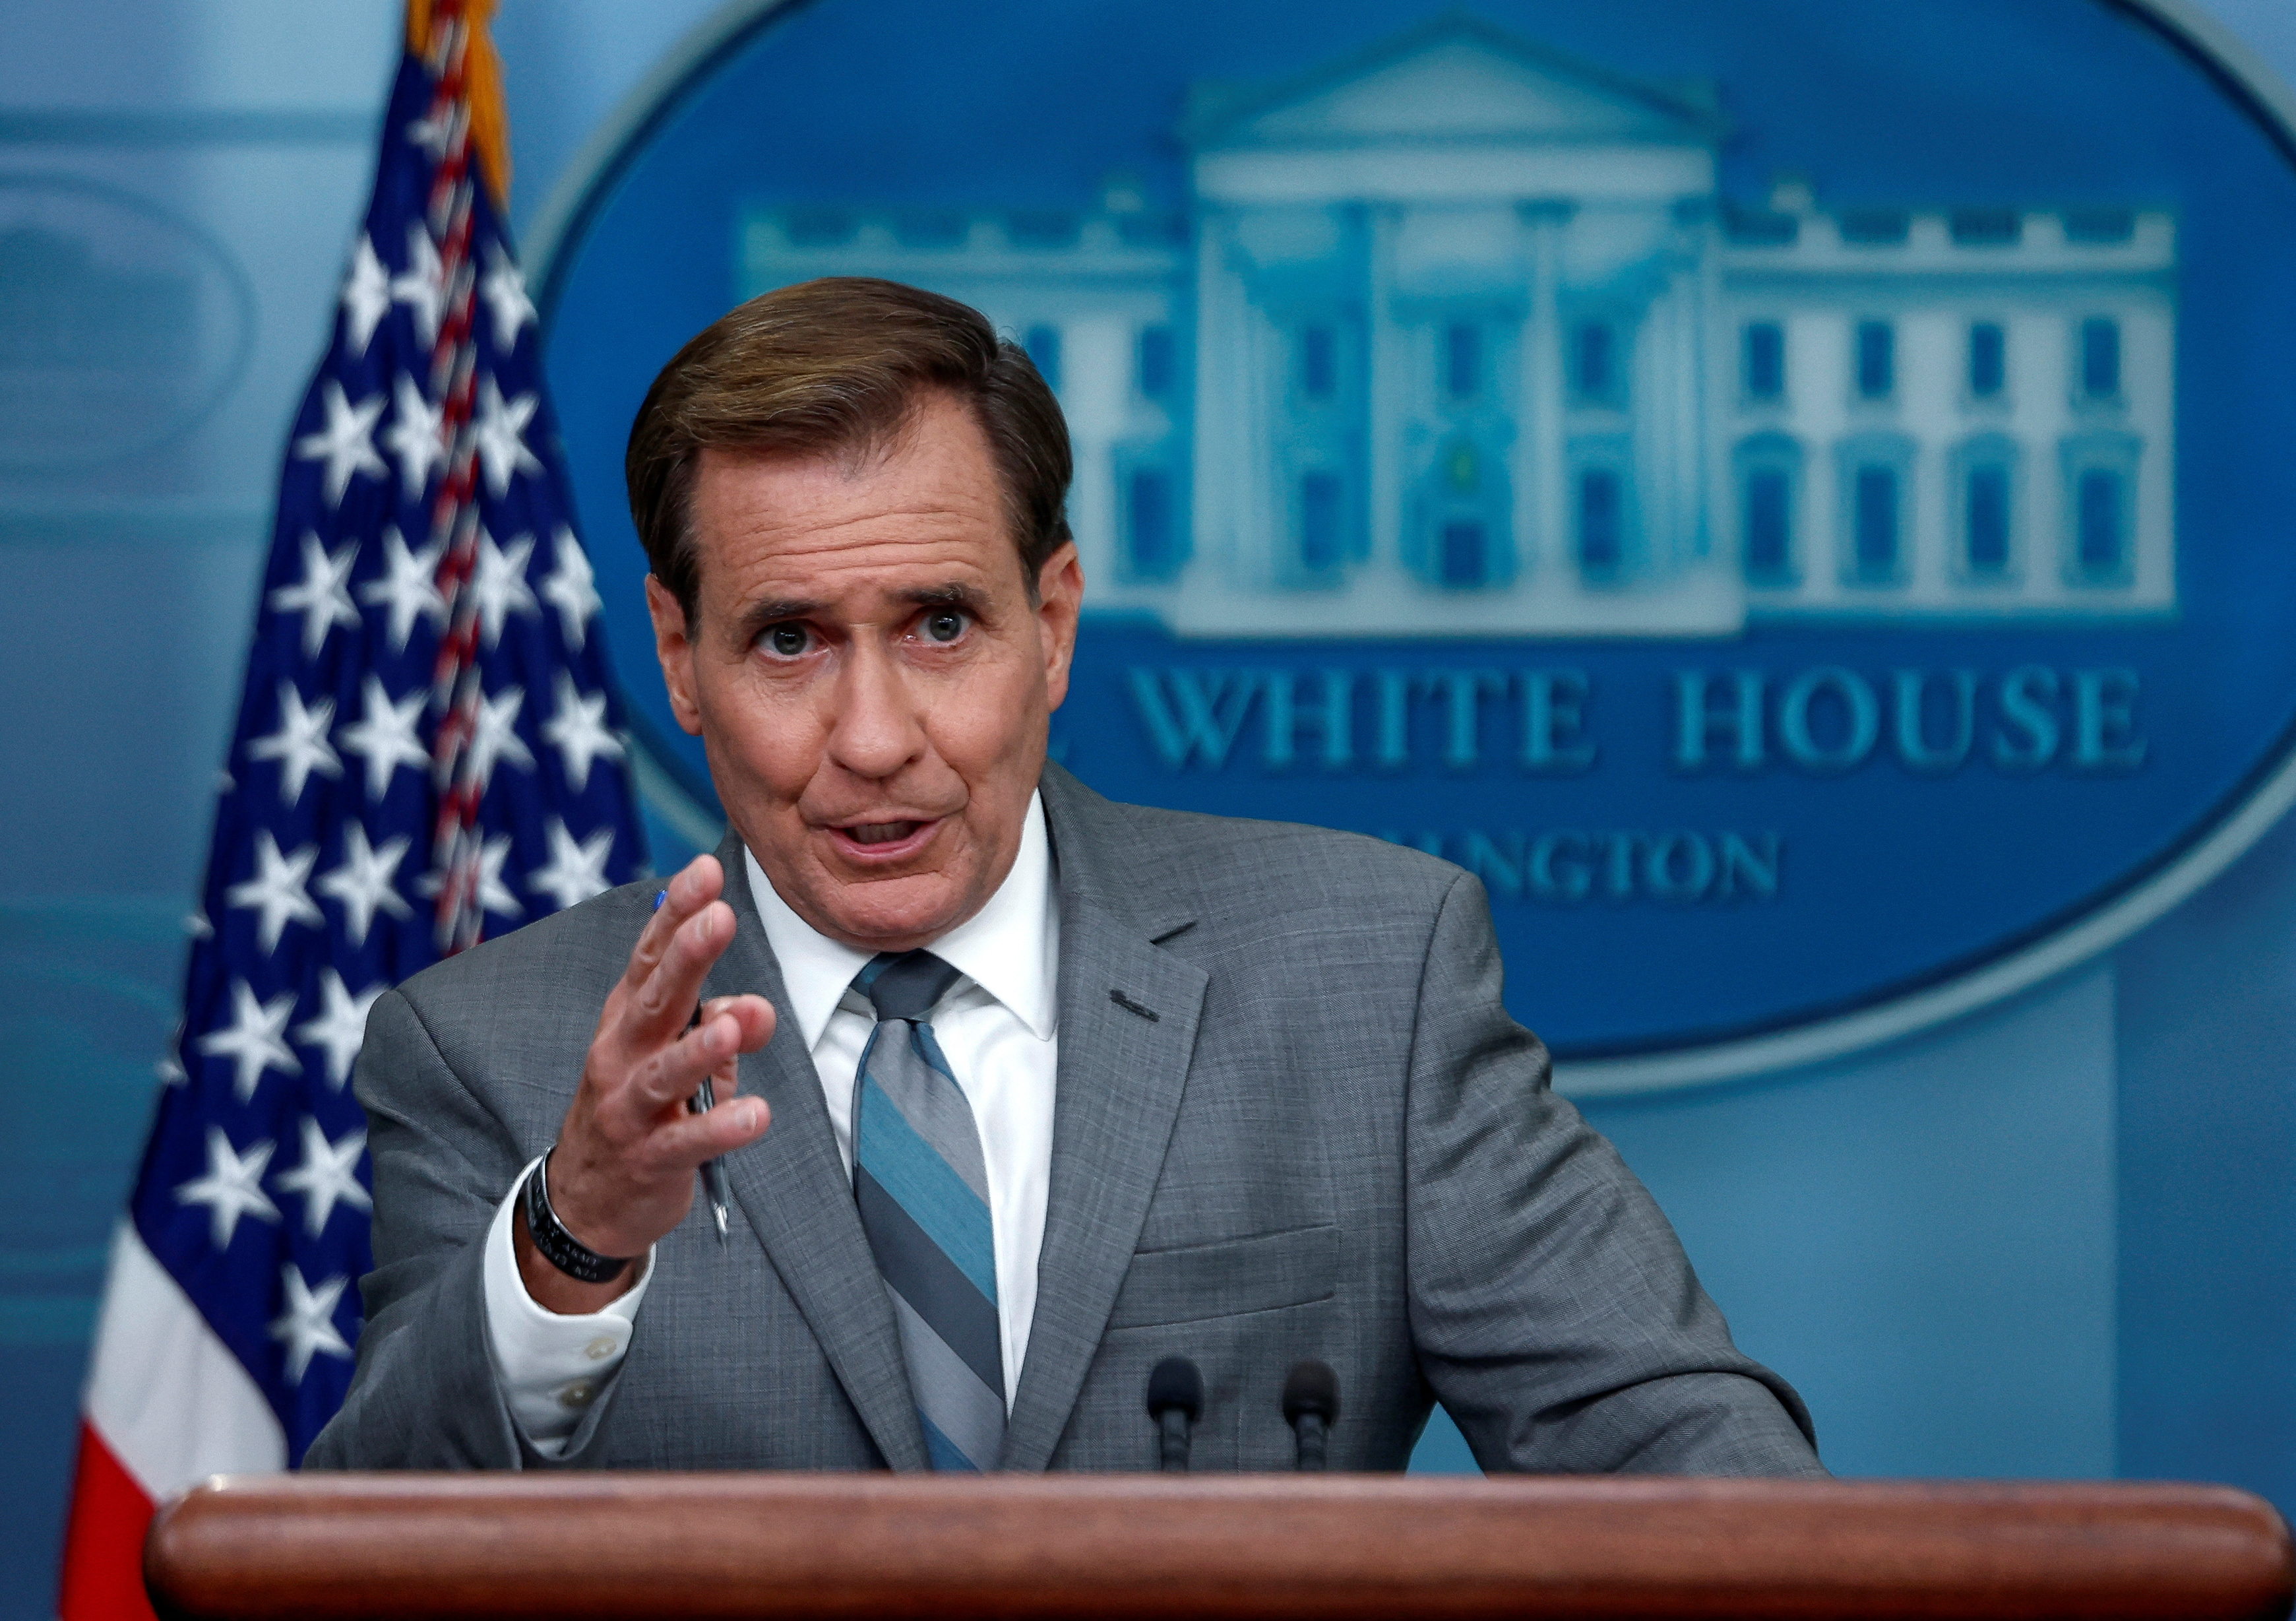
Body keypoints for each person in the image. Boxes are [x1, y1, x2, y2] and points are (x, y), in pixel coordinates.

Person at [306, 277, 1822, 1475]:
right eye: (788, 640)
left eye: (942, 627)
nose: (875, 736)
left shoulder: (1373, 976)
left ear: (1057, 622)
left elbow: (1700, 1476)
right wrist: (568, 1235)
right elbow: (361, 1560)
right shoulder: (490, 1047)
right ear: (677, 659)